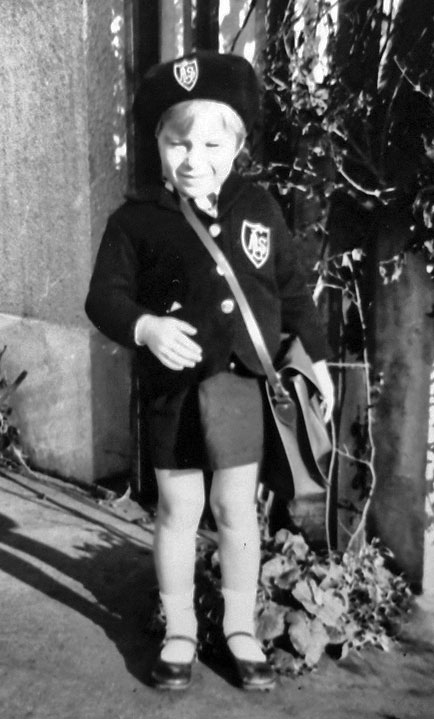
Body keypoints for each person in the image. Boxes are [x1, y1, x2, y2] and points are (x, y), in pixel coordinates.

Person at [85, 50, 334, 691]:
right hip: (172, 391)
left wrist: (318, 361)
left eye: (212, 144)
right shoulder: (134, 220)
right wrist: (146, 327)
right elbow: (104, 298)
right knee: (178, 507)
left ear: (239, 145)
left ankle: (240, 629)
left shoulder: (260, 207)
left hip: (239, 388)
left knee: (235, 509)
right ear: (158, 144)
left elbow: (293, 290)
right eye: (178, 143)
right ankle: (180, 632)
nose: (194, 158)